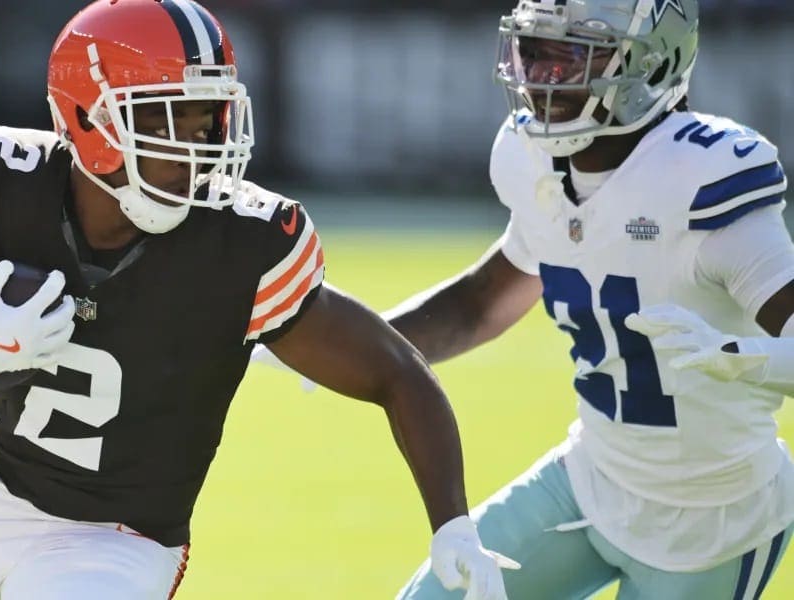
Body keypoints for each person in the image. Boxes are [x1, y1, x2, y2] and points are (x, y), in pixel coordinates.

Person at [0, 1, 518, 599]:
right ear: (90, 123)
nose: (200, 145)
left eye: (208, 118)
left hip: (117, 540)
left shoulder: (243, 243)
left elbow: (396, 371)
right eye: (167, 119)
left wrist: (452, 522)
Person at [257, 0, 794, 597]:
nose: (542, 78)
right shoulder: (532, 157)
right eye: (534, 52)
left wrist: (746, 357)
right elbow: (481, 304)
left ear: (652, 63)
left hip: (715, 518)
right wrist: (354, 347)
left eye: (572, 58)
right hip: (592, 479)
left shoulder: (703, 181)